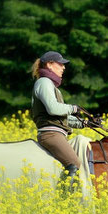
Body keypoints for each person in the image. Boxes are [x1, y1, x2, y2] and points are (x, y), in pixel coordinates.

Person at [31, 51, 86, 186]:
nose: (64, 67)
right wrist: (73, 108)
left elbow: (61, 117)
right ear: (50, 65)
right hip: (50, 134)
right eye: (60, 64)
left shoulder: (52, 86)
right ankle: (64, 199)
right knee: (74, 162)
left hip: (58, 133)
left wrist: (86, 123)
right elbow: (53, 108)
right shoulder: (44, 82)